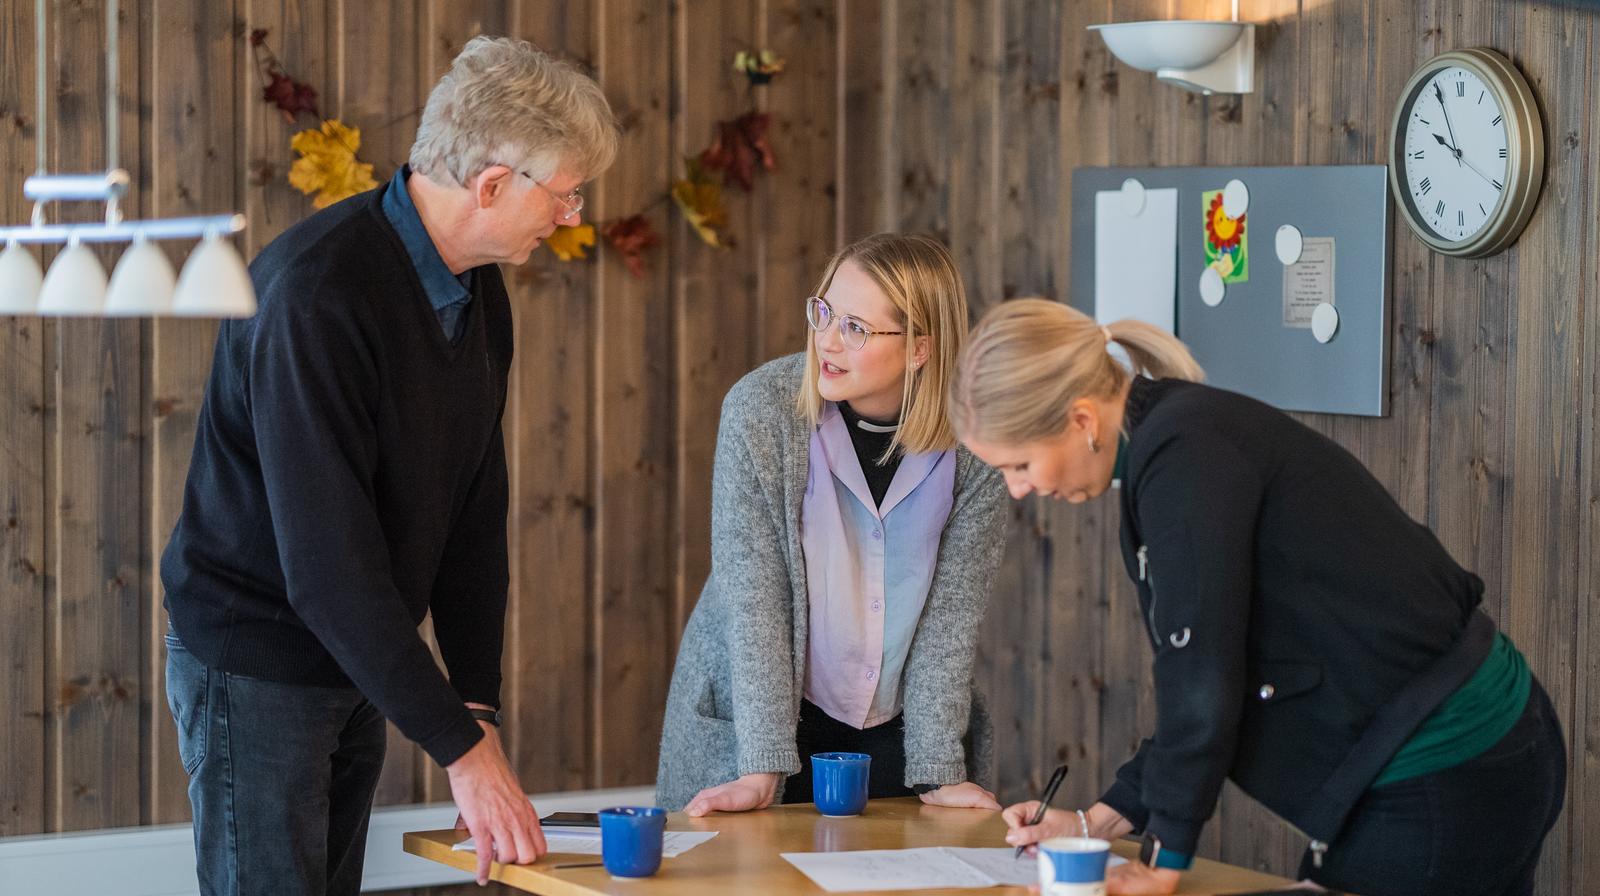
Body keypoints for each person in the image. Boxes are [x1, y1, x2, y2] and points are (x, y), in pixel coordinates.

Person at [160, 37, 617, 894]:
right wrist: (463, 754)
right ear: (491, 185)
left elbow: (476, 510)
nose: (571, 218)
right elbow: (327, 570)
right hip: (257, 653)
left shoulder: (477, 287)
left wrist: (474, 707)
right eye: (564, 195)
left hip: (355, 653)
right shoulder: (314, 297)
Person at [948, 298, 1566, 896]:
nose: (1019, 490)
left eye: (1019, 465)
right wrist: (1094, 824)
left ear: (1081, 420)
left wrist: (1164, 860)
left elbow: (1203, 678)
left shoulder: (1182, 454)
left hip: (1446, 761)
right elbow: (1209, 673)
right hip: (1473, 750)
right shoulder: (1170, 443)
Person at [655, 233, 1010, 816]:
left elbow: (950, 618)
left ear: (920, 348)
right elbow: (755, 598)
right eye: (823, 313)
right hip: (765, 723)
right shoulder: (762, 411)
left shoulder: (977, 444)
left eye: (856, 328)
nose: (827, 340)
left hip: (898, 734)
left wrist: (940, 769)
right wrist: (762, 765)